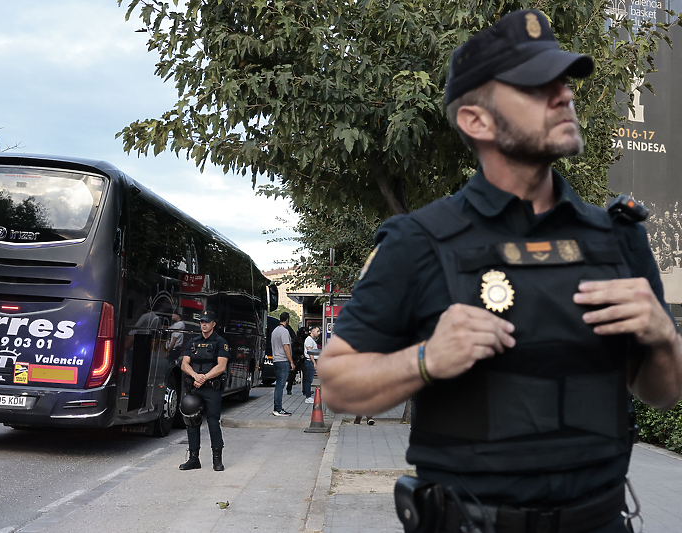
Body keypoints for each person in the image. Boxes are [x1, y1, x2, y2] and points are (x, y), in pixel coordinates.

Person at [318, 9, 682, 533]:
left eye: (564, 81)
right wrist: (426, 359)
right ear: (476, 121)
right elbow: (337, 382)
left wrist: (665, 338)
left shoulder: (617, 237)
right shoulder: (418, 241)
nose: (564, 95)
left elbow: (662, 393)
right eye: (537, 86)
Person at [179, 310, 229, 471]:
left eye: (207, 322)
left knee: (213, 422)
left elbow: (221, 366)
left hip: (211, 388)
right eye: (201, 322)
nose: (203, 324)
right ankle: (194, 459)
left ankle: (217, 460)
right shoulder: (193, 341)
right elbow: (184, 363)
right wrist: (195, 376)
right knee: (191, 421)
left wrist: (204, 377)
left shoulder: (221, 342)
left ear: (214, 324)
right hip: (195, 387)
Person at [270, 312, 294, 416]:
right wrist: (291, 361)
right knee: (280, 385)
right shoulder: (284, 331)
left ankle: (277, 407)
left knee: (278, 384)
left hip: (276, 360)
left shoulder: (274, 331)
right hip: (283, 360)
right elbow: (286, 347)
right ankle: (278, 408)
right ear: (287, 319)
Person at [286, 326, 307, 396]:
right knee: (292, 375)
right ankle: (289, 389)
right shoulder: (295, 340)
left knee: (305, 374)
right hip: (296, 359)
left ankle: (305, 390)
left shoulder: (305, 340)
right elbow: (294, 350)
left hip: (302, 359)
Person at [303, 326, 321, 403]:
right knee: (309, 380)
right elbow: (310, 352)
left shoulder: (311, 340)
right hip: (310, 361)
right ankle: (308, 397)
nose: (319, 333)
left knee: (309, 379)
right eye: (317, 331)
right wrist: (314, 362)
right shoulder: (309, 340)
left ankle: (308, 396)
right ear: (312, 331)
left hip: (311, 361)